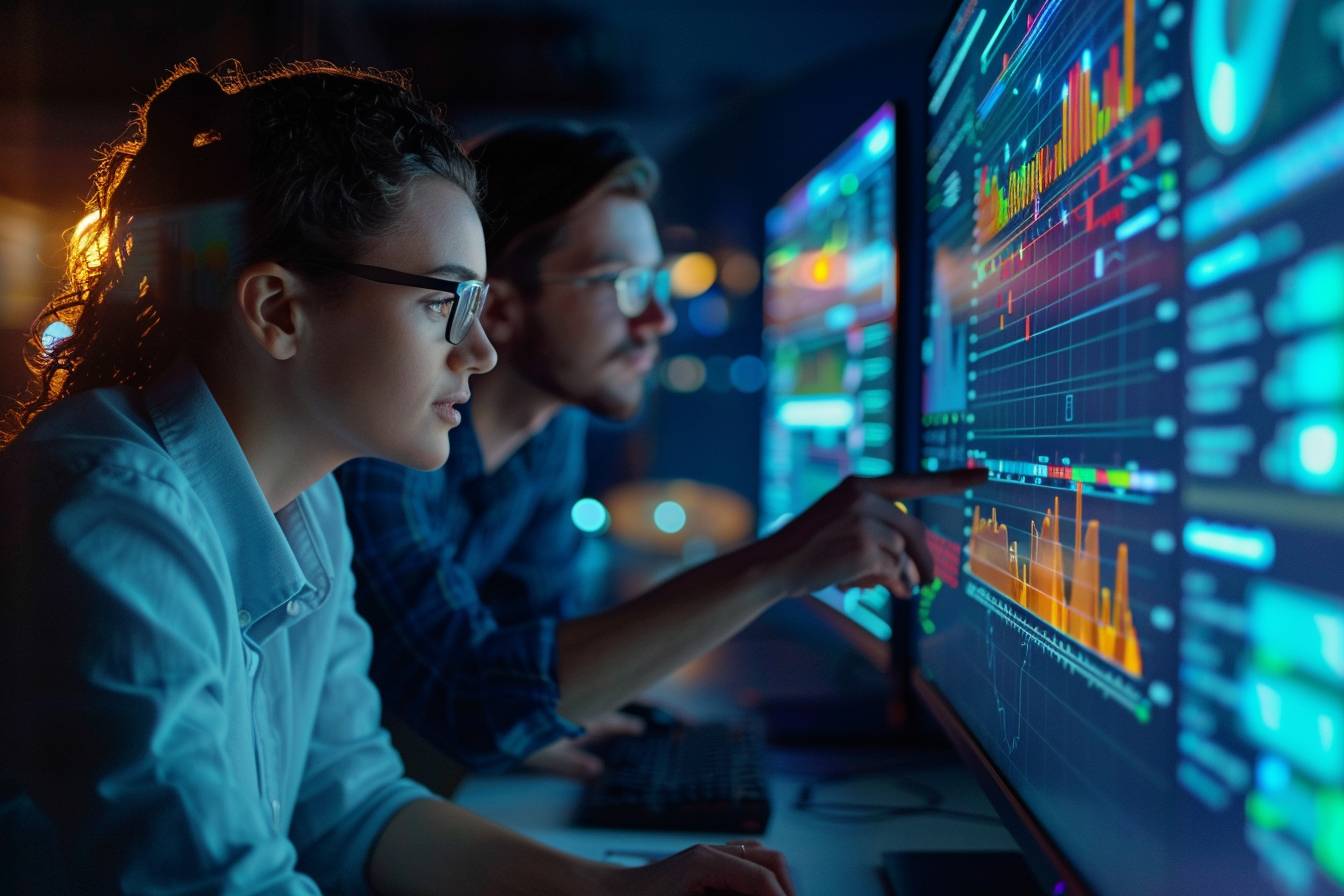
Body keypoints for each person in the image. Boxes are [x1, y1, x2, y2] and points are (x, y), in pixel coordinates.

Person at [0, 60, 797, 895]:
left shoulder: (310, 509)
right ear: (278, 311)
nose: (482, 350)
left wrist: (611, 890)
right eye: (444, 302)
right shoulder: (111, 520)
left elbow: (353, 808)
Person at [335, 123, 986, 778]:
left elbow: (523, 653)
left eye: (656, 284)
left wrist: (542, 713)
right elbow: (469, 699)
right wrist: (778, 566)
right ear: (498, 308)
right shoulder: (378, 451)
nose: (660, 321)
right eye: (623, 285)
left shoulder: (551, 431)